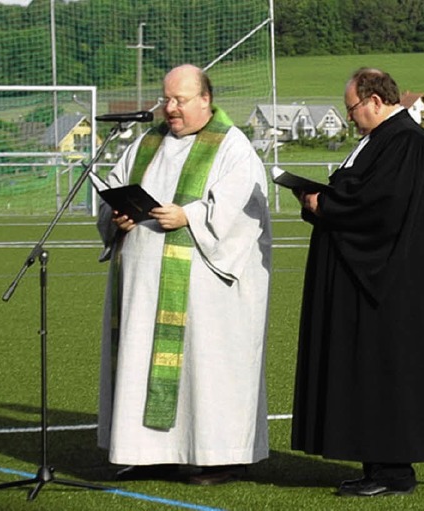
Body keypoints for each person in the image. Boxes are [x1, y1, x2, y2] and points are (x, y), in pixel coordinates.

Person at [290, 67, 424, 497]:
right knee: (368, 372)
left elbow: (382, 206)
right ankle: (375, 465)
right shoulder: (380, 140)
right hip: (368, 281)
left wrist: (325, 203)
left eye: (351, 107)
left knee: (388, 371)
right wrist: (322, 201)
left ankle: (393, 471)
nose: (350, 116)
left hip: (390, 286)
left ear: (373, 100)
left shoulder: (405, 141)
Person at [96, 64, 272, 485]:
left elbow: (244, 209)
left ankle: (222, 457)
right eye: (167, 99)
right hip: (142, 287)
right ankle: (147, 452)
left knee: (206, 369)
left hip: (206, 294)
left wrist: (188, 215)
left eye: (180, 100)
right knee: (140, 361)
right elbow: (114, 186)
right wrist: (116, 216)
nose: (170, 109)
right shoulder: (146, 143)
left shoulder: (232, 146)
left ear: (205, 99)